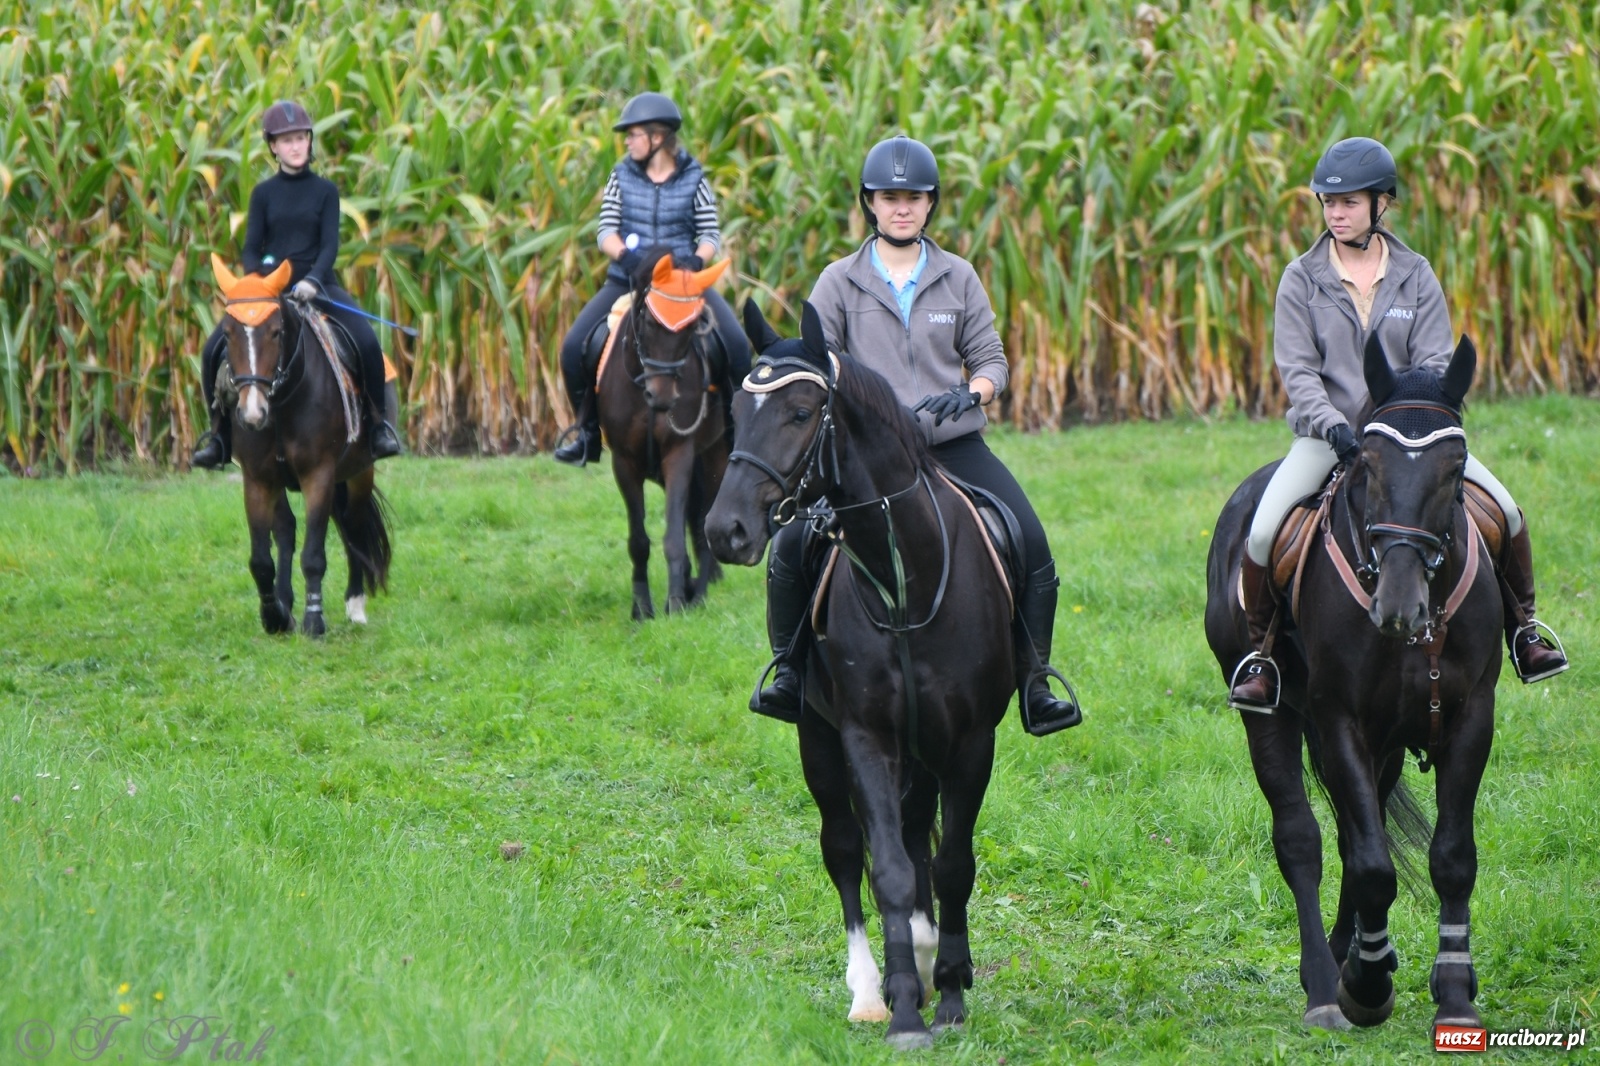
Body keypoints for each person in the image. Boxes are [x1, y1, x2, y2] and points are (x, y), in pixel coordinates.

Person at [751, 134, 1081, 737]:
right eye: (889, 197)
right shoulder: (839, 282)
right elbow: (816, 367)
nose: (901, 207)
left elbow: (991, 360)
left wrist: (973, 391)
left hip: (951, 446)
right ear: (869, 204)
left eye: (914, 197)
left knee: (1029, 537)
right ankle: (789, 672)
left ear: (931, 205)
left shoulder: (959, 277)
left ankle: (1036, 681)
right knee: (791, 546)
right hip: (863, 459)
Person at [1229, 136, 1568, 711]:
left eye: (1349, 203)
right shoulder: (1300, 279)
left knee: (1505, 511)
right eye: (1328, 203)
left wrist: (1407, 422)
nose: (1336, 213)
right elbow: (1298, 369)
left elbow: (1435, 361)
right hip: (1328, 439)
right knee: (1263, 533)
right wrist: (1334, 426)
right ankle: (1261, 656)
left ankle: (1525, 631)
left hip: (1411, 440)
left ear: (1380, 204)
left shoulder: (1415, 273)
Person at [192, 100, 401, 468]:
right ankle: (219, 437)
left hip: (317, 287)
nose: (295, 146)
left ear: (309, 142)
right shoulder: (263, 194)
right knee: (212, 351)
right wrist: (265, 285)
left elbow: (329, 246)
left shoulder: (325, 191)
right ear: (273, 146)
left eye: (301, 138)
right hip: (271, 292)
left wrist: (313, 281)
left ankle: (379, 427)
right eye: (287, 140)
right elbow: (251, 250)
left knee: (366, 340)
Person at [553, 91, 750, 465]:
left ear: (657, 137)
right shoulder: (621, 174)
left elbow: (710, 233)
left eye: (633, 133)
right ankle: (589, 433)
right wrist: (627, 258)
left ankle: (738, 432)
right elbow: (605, 230)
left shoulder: (694, 176)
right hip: (627, 279)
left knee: (738, 347)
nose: (627, 141)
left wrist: (695, 260)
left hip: (682, 283)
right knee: (574, 347)